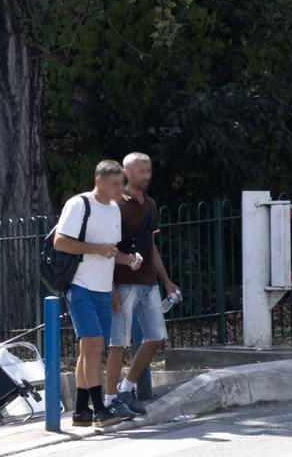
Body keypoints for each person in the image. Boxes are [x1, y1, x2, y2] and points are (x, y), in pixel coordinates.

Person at [53, 160, 143, 428]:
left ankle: (80, 411)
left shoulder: (114, 210)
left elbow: (110, 251)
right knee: (93, 346)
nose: (121, 189)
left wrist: (128, 260)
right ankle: (98, 410)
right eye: (116, 184)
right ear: (99, 181)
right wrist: (96, 249)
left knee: (91, 349)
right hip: (79, 285)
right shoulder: (79, 204)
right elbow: (60, 242)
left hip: (103, 289)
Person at [103, 152, 180, 420]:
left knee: (156, 337)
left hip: (148, 283)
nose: (146, 175)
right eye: (140, 171)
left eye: (148, 170)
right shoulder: (115, 206)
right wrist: (110, 286)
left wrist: (166, 281)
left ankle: (126, 389)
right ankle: (109, 399)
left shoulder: (150, 205)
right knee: (118, 344)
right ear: (126, 173)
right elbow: (108, 250)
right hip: (123, 283)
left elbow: (152, 246)